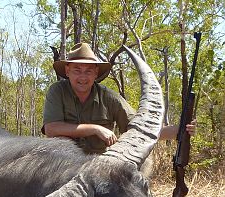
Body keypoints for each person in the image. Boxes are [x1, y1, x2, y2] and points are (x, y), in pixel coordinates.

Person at [42, 42, 196, 154]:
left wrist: (179, 130)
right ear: (67, 71)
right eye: (77, 70)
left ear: (96, 73)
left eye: (88, 71)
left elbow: (139, 130)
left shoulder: (109, 97)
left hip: (98, 164)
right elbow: (51, 129)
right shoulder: (57, 91)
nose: (83, 76)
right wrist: (96, 129)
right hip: (63, 164)